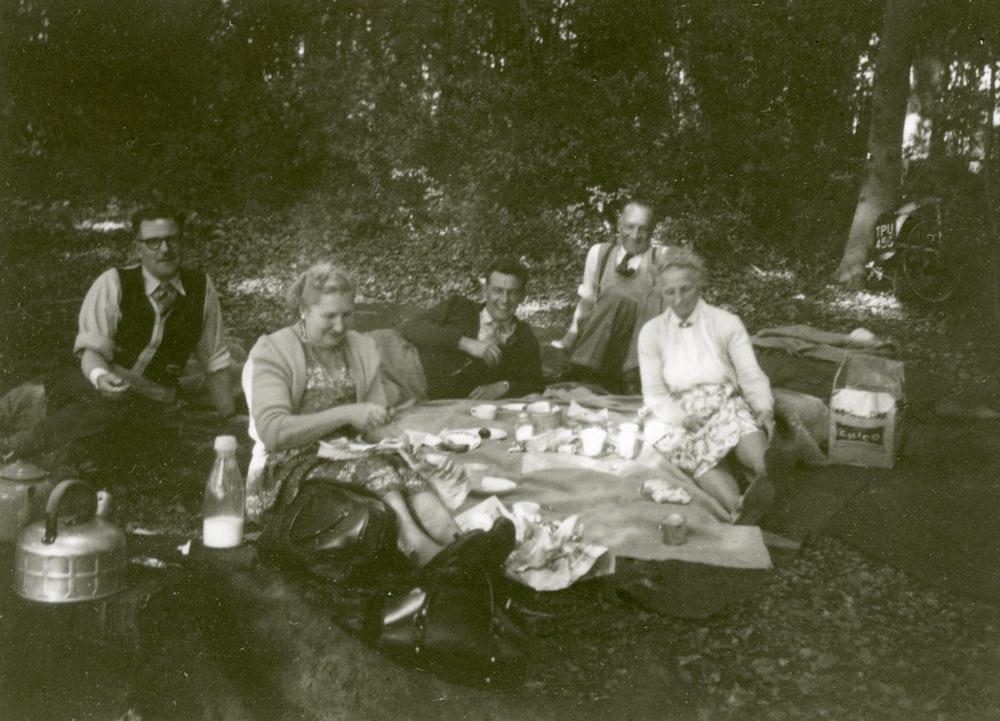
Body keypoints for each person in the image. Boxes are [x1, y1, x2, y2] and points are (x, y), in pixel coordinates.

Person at [242, 262, 466, 567]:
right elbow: (273, 432)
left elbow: (373, 429)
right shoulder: (273, 351)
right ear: (303, 310)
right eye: (329, 316)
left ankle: (456, 539)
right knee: (374, 469)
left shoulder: (360, 348)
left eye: (347, 314)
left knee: (409, 471)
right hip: (285, 468)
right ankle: (421, 549)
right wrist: (346, 413)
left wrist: (419, 453)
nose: (340, 326)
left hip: (347, 454)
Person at [15, 203, 238, 471]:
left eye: (171, 239)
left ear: (182, 242)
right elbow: (91, 353)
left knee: (134, 451)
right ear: (138, 248)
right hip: (90, 380)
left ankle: (68, 454)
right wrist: (101, 378)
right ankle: (19, 448)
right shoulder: (114, 283)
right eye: (153, 242)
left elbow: (214, 360)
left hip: (150, 400)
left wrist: (229, 418)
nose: (165, 249)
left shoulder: (201, 288)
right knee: (105, 408)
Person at [637, 247, 776, 525]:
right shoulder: (652, 332)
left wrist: (764, 407)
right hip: (677, 409)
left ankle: (768, 474)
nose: (678, 299)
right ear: (660, 292)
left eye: (685, 289)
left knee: (744, 430)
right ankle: (740, 508)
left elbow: (750, 373)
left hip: (722, 399)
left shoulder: (726, 323)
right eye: (670, 292)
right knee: (698, 452)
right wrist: (681, 418)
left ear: (700, 284)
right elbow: (654, 392)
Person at [388, 255, 544, 401]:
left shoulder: (523, 337)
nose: (504, 300)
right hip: (398, 363)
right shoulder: (459, 306)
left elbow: (536, 383)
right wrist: (464, 342)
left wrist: (503, 386)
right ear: (485, 290)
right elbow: (410, 327)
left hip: (420, 395)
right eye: (497, 291)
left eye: (512, 293)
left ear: (523, 295)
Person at [557, 202, 662, 394]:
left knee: (647, 299)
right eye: (630, 226)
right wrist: (569, 338)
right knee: (614, 295)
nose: (635, 235)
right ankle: (583, 369)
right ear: (619, 225)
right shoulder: (599, 253)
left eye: (643, 229)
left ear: (652, 231)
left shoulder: (660, 258)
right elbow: (587, 301)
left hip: (636, 349)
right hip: (600, 345)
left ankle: (633, 377)